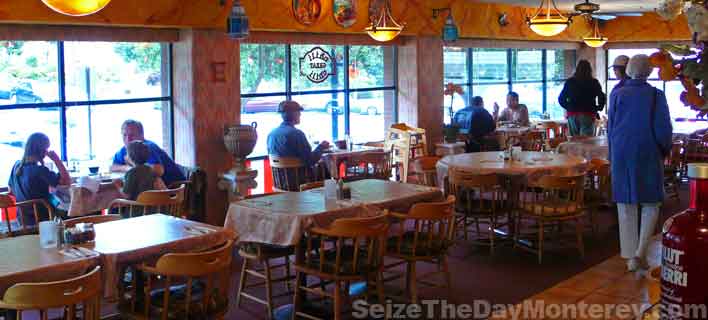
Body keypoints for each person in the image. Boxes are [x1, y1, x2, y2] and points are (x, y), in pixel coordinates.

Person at [608, 54, 673, 272]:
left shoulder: (616, 93)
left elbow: (611, 127)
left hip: (620, 150)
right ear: (649, 72)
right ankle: (640, 253)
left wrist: (612, 152)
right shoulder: (656, 95)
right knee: (650, 202)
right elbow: (663, 128)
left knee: (625, 203)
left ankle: (628, 255)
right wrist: (664, 150)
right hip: (647, 150)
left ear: (628, 71)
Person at [7, 133, 71, 225]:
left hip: (22, 219)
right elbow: (66, 181)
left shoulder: (16, 166)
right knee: (76, 213)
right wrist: (57, 160)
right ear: (42, 150)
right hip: (43, 219)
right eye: (46, 148)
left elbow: (11, 190)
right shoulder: (39, 171)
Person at [111, 120, 185, 187]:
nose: (128, 139)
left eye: (132, 135)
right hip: (151, 192)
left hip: (171, 191)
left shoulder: (147, 147)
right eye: (124, 135)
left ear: (141, 135)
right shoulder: (125, 149)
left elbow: (159, 170)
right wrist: (128, 168)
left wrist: (134, 170)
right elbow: (113, 167)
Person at [267, 100, 330, 168]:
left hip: (280, 176)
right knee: (325, 166)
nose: (300, 114)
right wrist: (321, 147)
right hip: (299, 176)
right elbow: (310, 160)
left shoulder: (271, 134)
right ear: (295, 114)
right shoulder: (297, 134)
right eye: (299, 112)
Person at [558, 60, 606, 136]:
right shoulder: (594, 82)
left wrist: (569, 107)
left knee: (574, 141)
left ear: (577, 70)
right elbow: (602, 97)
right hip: (588, 113)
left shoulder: (570, 82)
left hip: (572, 114)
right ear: (589, 70)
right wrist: (598, 108)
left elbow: (561, 99)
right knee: (586, 142)